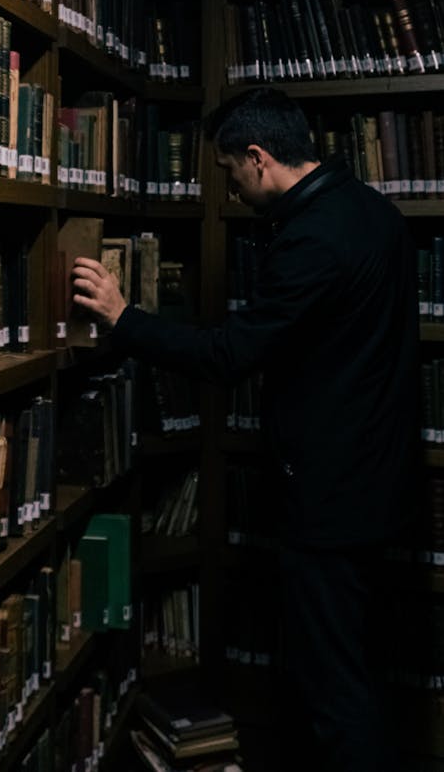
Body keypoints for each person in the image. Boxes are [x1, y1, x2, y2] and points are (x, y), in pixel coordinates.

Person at [71, 86, 420, 772]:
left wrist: (124, 317)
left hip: (331, 503)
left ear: (259, 158)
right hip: (379, 484)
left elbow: (230, 355)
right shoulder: (373, 212)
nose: (229, 188)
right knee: (356, 668)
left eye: (230, 170)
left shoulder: (312, 240)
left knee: (334, 690)